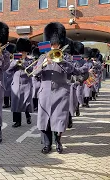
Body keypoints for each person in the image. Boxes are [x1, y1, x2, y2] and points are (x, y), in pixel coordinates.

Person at [33, 22, 86, 154]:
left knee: (59, 119)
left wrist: (61, 61)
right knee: (44, 119)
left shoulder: (65, 57)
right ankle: (47, 144)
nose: (53, 46)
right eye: (51, 44)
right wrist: (44, 64)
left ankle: (58, 141)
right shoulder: (42, 57)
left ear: (59, 43)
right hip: (45, 93)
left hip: (61, 92)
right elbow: (34, 73)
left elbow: (74, 71)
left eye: (55, 44)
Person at [7, 38, 33, 128]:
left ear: (26, 52)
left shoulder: (30, 60)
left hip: (26, 83)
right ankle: (17, 121)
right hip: (16, 83)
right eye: (21, 51)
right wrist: (15, 63)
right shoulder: (14, 59)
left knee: (26, 102)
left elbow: (32, 70)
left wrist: (24, 64)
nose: (22, 53)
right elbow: (8, 70)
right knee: (15, 102)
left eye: (24, 52)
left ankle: (28, 115)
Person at [2, 43, 16, 108]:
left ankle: (12, 102)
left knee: (11, 90)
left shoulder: (15, 60)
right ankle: (6, 103)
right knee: (5, 90)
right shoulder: (5, 59)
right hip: (5, 76)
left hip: (11, 77)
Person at [31, 47, 41, 112]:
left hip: (39, 80)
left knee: (38, 95)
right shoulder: (33, 61)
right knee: (34, 94)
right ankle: (34, 106)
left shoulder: (40, 61)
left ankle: (37, 106)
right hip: (33, 80)